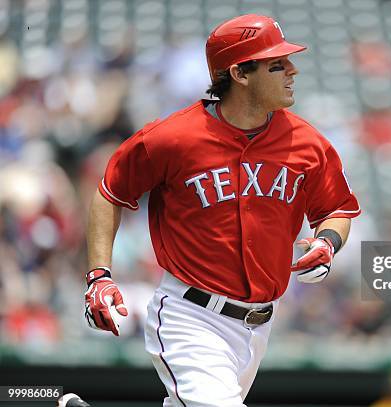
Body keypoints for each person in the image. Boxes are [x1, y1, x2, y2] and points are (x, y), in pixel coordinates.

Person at [84, 14, 360, 406]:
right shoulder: (173, 137)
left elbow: (337, 210)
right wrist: (99, 276)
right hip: (190, 315)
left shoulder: (307, 143)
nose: (292, 70)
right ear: (240, 73)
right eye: (277, 64)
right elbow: (109, 193)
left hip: (260, 324)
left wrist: (328, 242)